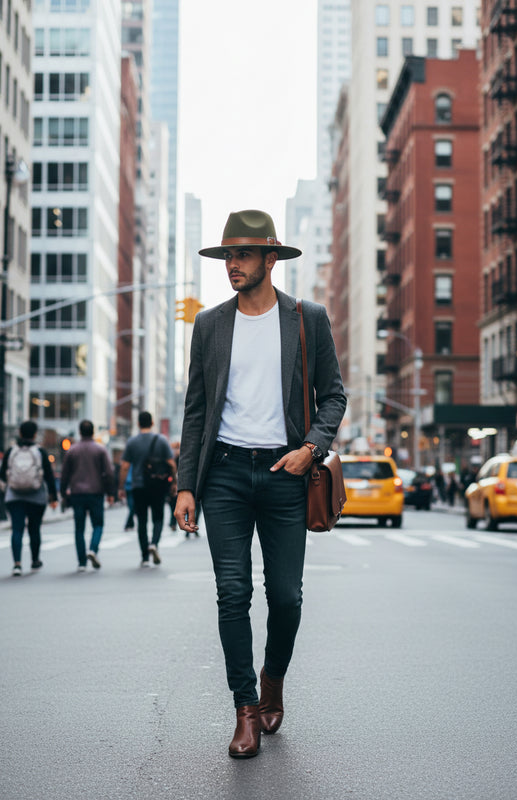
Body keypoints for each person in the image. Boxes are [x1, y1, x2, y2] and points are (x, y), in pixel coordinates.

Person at [174, 209, 346, 758]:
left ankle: (273, 679)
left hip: (285, 473)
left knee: (288, 597)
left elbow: (334, 395)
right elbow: (196, 410)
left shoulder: (307, 318)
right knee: (232, 593)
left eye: (243, 255)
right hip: (223, 473)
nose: (233, 265)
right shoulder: (210, 324)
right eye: (227, 255)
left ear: (271, 259)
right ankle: (245, 708)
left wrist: (310, 449)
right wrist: (185, 485)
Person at [118, 411, 177, 566]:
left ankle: (144, 557)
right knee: (158, 517)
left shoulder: (132, 442)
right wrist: (174, 483)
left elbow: (124, 467)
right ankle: (154, 544)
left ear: (138, 424)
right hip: (157, 485)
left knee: (142, 521)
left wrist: (121, 487)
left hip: (138, 486)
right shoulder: (162, 441)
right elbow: (171, 464)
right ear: (152, 423)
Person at [0, 420, 58, 576]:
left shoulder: (11, 450)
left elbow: (3, 474)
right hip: (36, 496)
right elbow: (49, 476)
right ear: (34, 434)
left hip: (14, 496)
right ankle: (34, 559)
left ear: (20, 433)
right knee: (34, 529)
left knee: (16, 530)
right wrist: (53, 496)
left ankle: (17, 564)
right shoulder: (40, 451)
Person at [60, 420, 115, 571]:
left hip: (77, 493)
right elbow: (109, 473)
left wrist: (63, 492)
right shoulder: (100, 450)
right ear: (93, 432)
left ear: (79, 432)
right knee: (98, 525)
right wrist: (111, 493)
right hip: (96, 493)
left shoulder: (72, 450)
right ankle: (92, 549)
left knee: (79, 528)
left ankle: (82, 563)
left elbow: (64, 475)